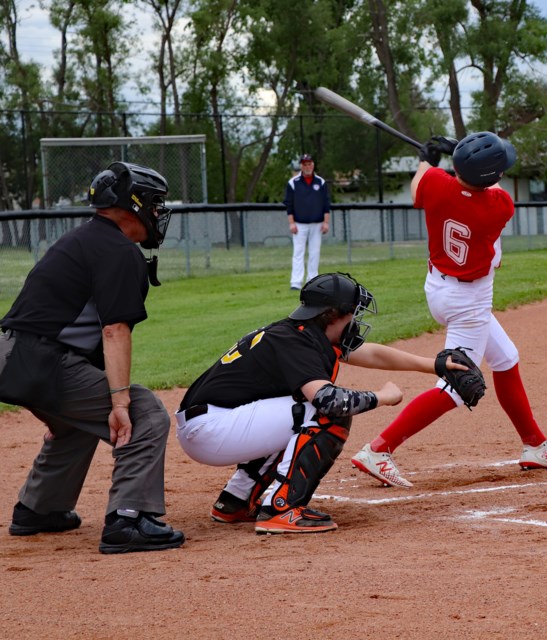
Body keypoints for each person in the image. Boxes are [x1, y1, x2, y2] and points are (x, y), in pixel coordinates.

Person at [350, 132, 547, 489]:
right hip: (470, 304)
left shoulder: (435, 184)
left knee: (505, 357)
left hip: (439, 288)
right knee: (458, 386)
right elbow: (482, 189)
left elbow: (422, 183)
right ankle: (379, 449)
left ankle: (534, 444)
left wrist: (428, 158)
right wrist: (459, 157)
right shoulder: (500, 205)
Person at [174, 272, 473, 534]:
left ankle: (236, 500)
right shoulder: (297, 343)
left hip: (212, 424)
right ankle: (281, 508)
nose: (355, 320)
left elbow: (371, 353)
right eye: (351, 314)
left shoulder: (304, 334)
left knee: (298, 410)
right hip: (211, 430)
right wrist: (382, 397)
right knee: (325, 412)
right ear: (332, 315)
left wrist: (435, 364)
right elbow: (330, 400)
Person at [0, 161, 185, 554]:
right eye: (154, 204)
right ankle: (129, 519)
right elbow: (114, 331)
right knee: (144, 412)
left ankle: (39, 508)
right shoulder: (118, 250)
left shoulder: (82, 239)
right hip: (40, 361)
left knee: (80, 422)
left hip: (16, 356)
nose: (157, 213)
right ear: (132, 205)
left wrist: (55, 408)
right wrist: (119, 402)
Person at [284, 154, 332, 290]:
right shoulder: (293, 182)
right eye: (305, 164)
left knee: (314, 252)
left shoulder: (321, 182)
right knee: (298, 253)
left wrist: (326, 222)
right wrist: (291, 223)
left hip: (317, 224)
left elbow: (326, 203)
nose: (307, 166)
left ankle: (312, 282)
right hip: (299, 224)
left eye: (309, 163)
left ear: (313, 165)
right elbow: (289, 204)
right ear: (301, 166)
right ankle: (296, 282)